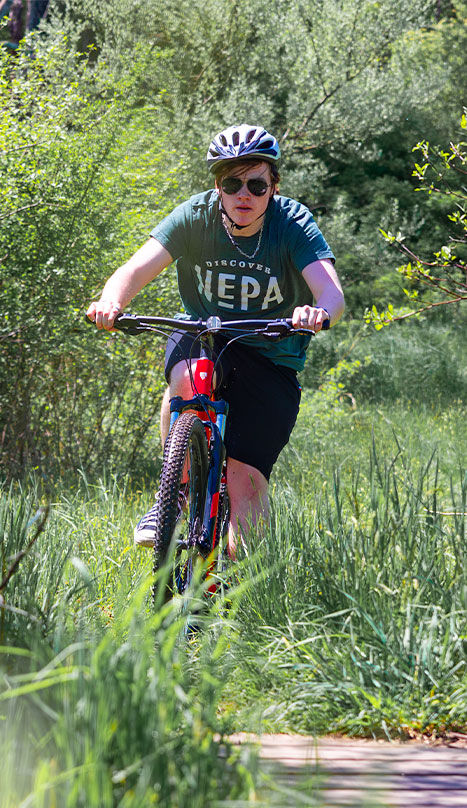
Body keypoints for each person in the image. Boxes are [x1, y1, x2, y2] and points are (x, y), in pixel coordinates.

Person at [86, 124, 345, 555]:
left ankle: (238, 593)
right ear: (217, 186)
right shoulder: (195, 215)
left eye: (257, 184)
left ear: (273, 186)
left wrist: (316, 312)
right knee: (188, 378)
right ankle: (174, 495)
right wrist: (111, 302)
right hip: (204, 334)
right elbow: (134, 270)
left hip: (272, 352)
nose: (244, 194)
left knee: (246, 483)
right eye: (232, 183)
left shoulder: (292, 223)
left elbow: (331, 293)